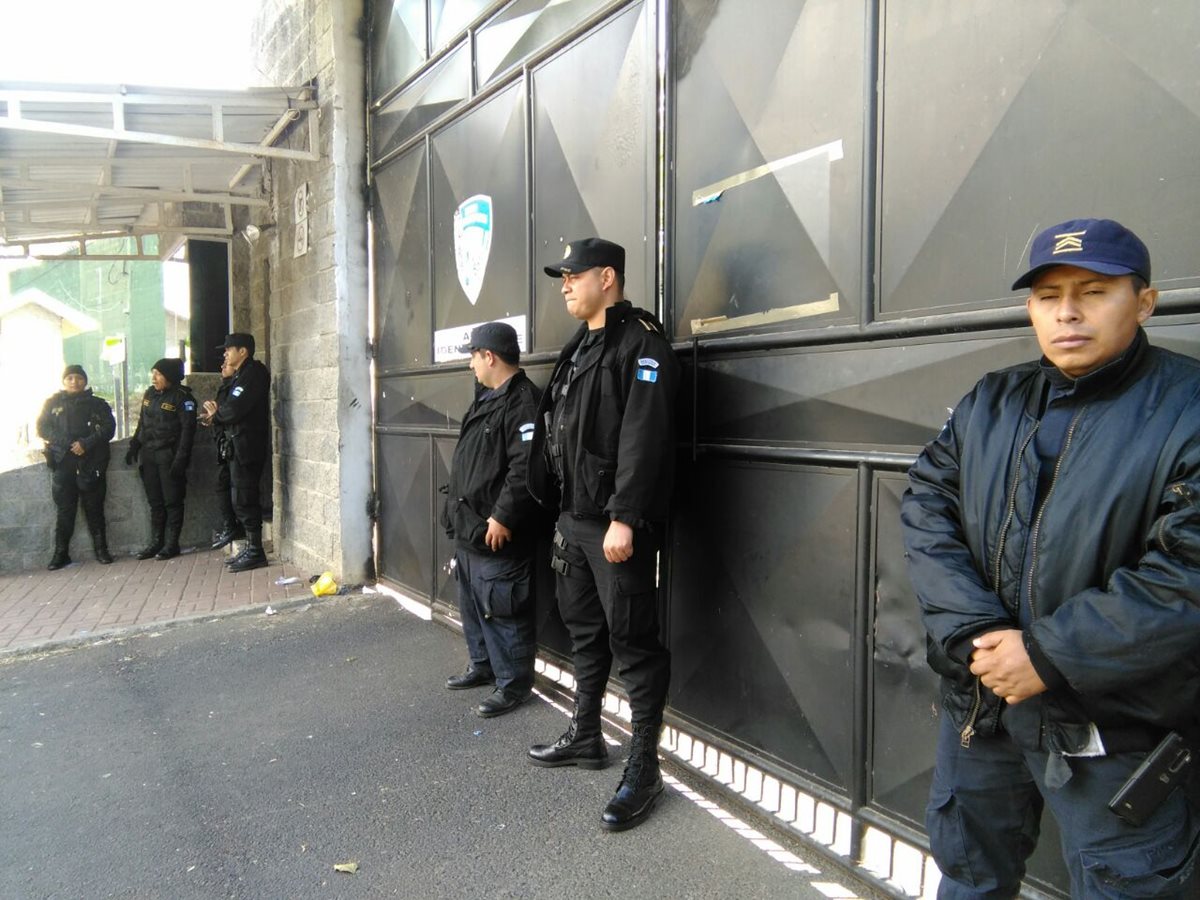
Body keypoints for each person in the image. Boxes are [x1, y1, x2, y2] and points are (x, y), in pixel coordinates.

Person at [901, 218, 1200, 898]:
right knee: (969, 875)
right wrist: (975, 631)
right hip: (984, 704)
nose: (1067, 312)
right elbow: (926, 507)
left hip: (1118, 727)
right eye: (1047, 296)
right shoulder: (991, 400)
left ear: (1145, 302)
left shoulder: (1188, 406)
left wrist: (1047, 654)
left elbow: (1187, 572)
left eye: (1093, 292)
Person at [527, 237, 680, 832]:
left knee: (634, 644)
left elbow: (645, 435)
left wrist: (626, 516)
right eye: (562, 277)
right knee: (585, 633)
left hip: (615, 526)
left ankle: (644, 769)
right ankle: (587, 734)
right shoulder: (581, 345)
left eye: (574, 274)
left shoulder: (641, 344)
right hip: (574, 520)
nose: (565, 285)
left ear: (607, 277)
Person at [440, 321, 542, 718]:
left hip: (496, 531)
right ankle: (483, 666)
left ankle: (513, 684)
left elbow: (525, 468)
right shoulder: (487, 397)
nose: (470, 365)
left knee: (502, 608)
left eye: (473, 356)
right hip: (472, 529)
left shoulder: (523, 403)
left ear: (490, 356)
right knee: (473, 604)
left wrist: (503, 516)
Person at [199, 333, 271, 573]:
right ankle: (250, 547)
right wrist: (217, 414)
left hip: (248, 445)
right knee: (238, 497)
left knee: (245, 497)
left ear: (243, 351)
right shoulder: (239, 375)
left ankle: (256, 551)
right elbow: (227, 407)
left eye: (228, 349)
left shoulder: (254, 374)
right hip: (236, 445)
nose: (225, 354)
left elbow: (234, 409)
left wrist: (217, 414)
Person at [36, 364, 116, 569]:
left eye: (79, 378)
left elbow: (109, 428)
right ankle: (60, 554)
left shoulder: (98, 404)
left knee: (94, 508)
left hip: (91, 462)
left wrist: (85, 444)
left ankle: (102, 550)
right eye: (70, 378)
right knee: (65, 510)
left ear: (85, 381)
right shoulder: (53, 403)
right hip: (64, 462)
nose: (74, 382)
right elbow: (42, 428)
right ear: (64, 381)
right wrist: (69, 443)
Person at [126, 358, 197, 560]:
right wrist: (134, 444)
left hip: (169, 456)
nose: (154, 378)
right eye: (153, 374)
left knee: (172, 501)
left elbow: (188, 432)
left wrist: (180, 460)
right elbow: (142, 422)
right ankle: (156, 542)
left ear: (170, 376)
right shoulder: (150, 394)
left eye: (158, 374)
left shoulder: (183, 398)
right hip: (149, 455)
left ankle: (171, 544)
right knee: (155, 501)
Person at [204, 361, 245, 550]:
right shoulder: (225, 387)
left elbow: (230, 413)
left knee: (236, 487)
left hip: (234, 444)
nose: (222, 366)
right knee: (222, 485)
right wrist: (211, 418)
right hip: (223, 443)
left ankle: (237, 527)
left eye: (226, 364)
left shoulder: (236, 388)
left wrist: (216, 414)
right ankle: (230, 526)